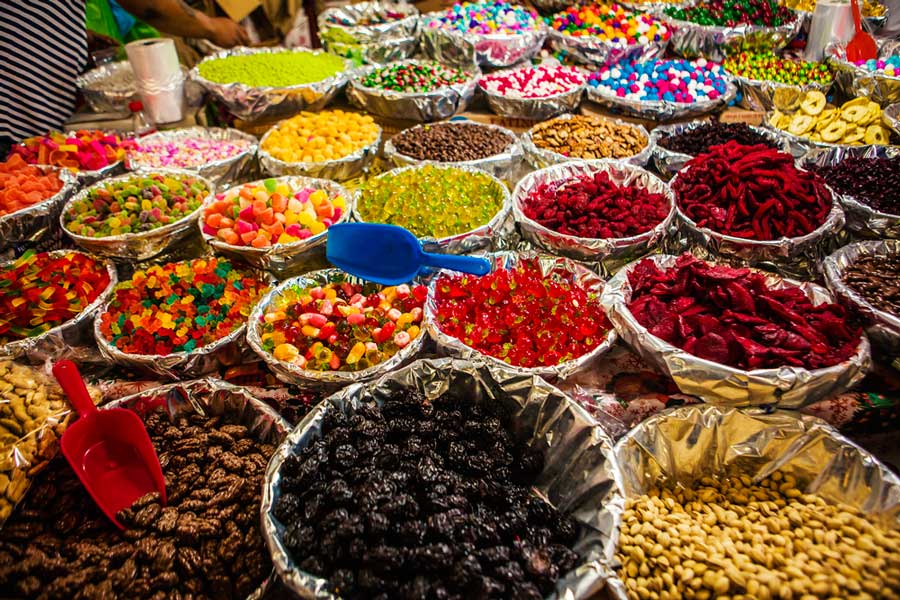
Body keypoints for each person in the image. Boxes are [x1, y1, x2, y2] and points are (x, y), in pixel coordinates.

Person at [0, 0, 249, 153]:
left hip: (34, 84)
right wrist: (212, 27)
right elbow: (151, 6)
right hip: (19, 94)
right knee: (26, 173)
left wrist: (74, 33)